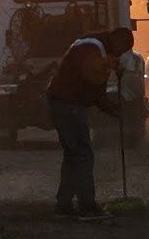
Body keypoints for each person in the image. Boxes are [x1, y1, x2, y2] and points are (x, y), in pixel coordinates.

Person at [45, 26, 134, 221]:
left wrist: (112, 109)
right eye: (122, 49)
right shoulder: (92, 48)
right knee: (83, 155)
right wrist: (107, 66)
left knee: (73, 156)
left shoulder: (92, 45)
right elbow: (90, 70)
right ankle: (87, 206)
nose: (119, 54)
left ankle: (64, 205)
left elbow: (94, 90)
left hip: (63, 103)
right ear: (117, 41)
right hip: (70, 105)